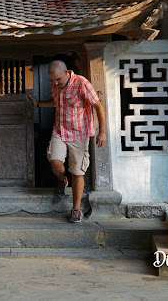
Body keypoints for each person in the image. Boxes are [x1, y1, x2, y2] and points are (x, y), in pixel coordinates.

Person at [28, 60, 107, 223]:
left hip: (80, 133)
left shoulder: (82, 83)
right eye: (52, 80)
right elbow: (57, 103)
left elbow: (98, 107)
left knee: (77, 172)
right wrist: (39, 104)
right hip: (60, 130)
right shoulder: (56, 84)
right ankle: (61, 180)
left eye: (57, 79)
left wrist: (102, 132)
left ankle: (76, 210)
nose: (55, 83)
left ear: (66, 72)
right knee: (55, 163)